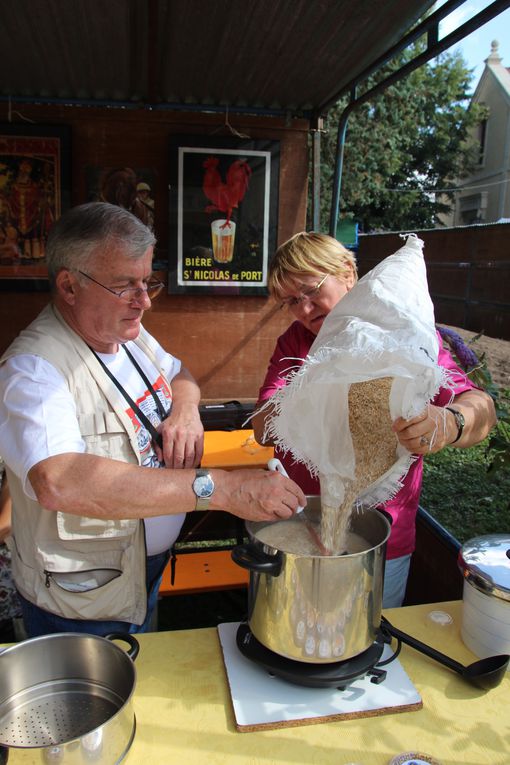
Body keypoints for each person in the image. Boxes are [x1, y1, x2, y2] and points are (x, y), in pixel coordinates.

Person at [0, 202, 305, 638]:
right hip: (82, 600)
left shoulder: (126, 331)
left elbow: (181, 374)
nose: (143, 301)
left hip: (141, 568)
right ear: (69, 286)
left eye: (147, 282)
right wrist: (221, 487)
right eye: (125, 285)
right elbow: (59, 480)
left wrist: (185, 412)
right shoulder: (33, 369)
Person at [252, 232, 497, 608]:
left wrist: (451, 423)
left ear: (348, 273)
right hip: (303, 519)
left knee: (368, 633)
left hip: (383, 533)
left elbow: (480, 408)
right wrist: (310, 398)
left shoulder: (407, 335)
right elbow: (262, 425)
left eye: (310, 290)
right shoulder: (296, 342)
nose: (303, 309)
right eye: (290, 301)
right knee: (296, 624)